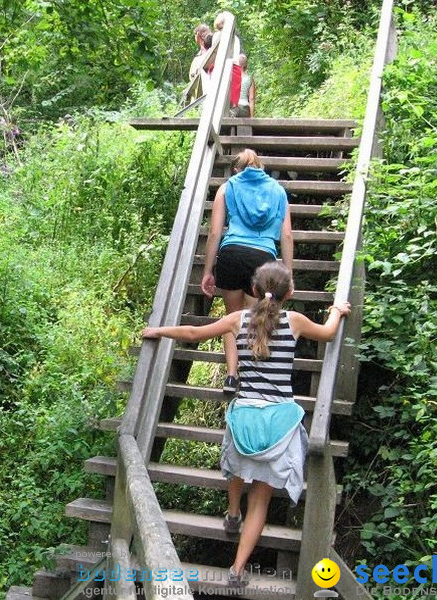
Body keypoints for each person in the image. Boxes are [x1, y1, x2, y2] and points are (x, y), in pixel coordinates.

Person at [143, 261, 352, 586]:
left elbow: (194, 333)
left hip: (245, 418)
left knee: (238, 466)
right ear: (290, 293)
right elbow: (327, 333)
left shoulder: (237, 320)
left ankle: (231, 513)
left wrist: (159, 331)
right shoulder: (294, 321)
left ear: (253, 290)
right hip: (278, 425)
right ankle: (238, 570)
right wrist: (337, 310)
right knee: (261, 500)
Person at [201, 149, 293, 393]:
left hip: (231, 255)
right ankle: (254, 375)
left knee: (232, 319)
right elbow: (286, 235)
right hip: (262, 260)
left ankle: (232, 376)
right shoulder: (277, 191)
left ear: (237, 169)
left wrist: (208, 270)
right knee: (255, 319)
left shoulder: (227, 187)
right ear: (260, 166)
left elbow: (214, 233)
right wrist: (287, 276)